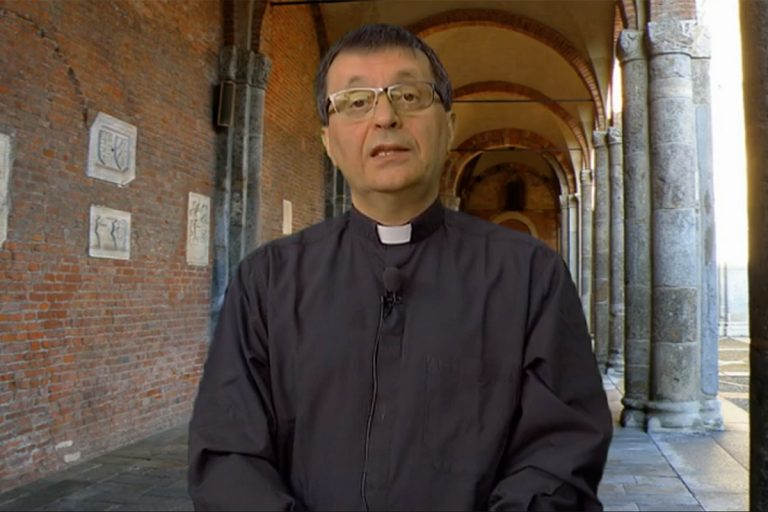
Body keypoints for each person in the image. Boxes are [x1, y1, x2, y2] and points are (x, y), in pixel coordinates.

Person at [188, 23, 612, 511]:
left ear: (448, 126)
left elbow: (560, 452)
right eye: (356, 101)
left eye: (409, 95)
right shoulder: (267, 281)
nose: (386, 116)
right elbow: (228, 451)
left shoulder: (531, 276)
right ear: (328, 142)